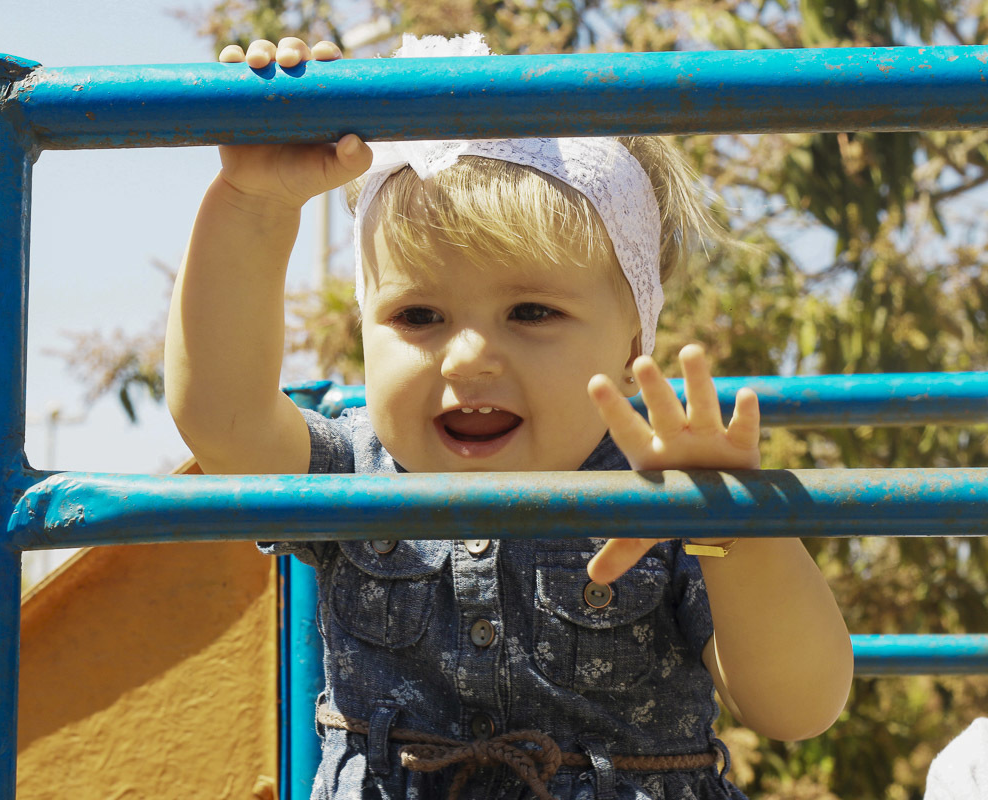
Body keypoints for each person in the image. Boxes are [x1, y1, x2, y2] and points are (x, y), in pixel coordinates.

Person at [165, 32, 853, 800]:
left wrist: (736, 532)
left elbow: (796, 707)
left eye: (530, 311)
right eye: (418, 315)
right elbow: (221, 421)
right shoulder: (355, 476)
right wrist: (254, 203)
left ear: (633, 342)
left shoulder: (658, 492)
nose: (466, 359)